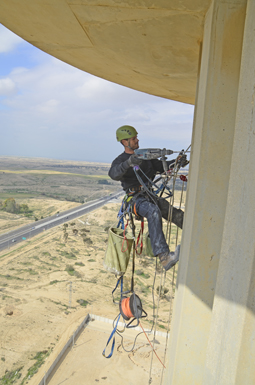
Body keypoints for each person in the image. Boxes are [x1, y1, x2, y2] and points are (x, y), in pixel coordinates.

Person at [108, 125, 184, 271]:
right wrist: (129, 163)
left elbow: (163, 167)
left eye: (136, 137)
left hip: (148, 195)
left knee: (170, 211)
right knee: (153, 211)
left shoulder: (145, 157)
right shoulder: (121, 161)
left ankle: (191, 231)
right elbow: (114, 174)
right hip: (135, 199)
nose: (137, 140)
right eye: (133, 139)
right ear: (125, 142)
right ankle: (164, 256)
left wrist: (177, 161)